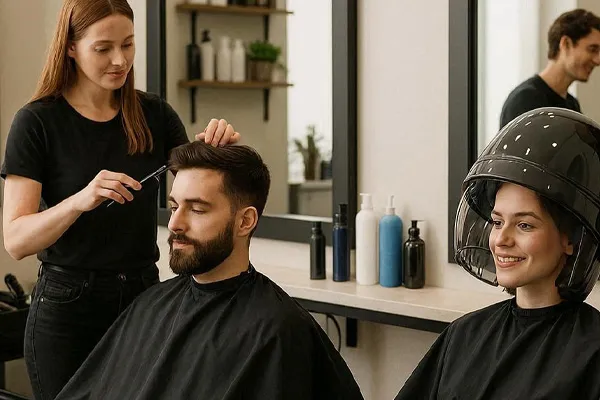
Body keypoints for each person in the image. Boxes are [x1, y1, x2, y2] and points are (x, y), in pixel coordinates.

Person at [1, 1, 240, 399]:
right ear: (71, 47)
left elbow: (197, 192)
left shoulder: (155, 115)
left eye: (128, 44)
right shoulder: (37, 122)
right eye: (103, 48)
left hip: (144, 299)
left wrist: (219, 153)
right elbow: (16, 240)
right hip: (67, 310)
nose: (120, 60)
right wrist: (80, 200)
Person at [53, 141, 364, 400]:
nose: (175, 224)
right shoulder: (151, 304)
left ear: (245, 221)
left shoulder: (277, 329)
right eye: (174, 207)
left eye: (197, 209)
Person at [395, 107, 600, 400]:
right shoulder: (463, 335)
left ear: (571, 239)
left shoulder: (592, 353)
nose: (501, 239)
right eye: (497, 222)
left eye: (524, 225)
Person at [499, 9, 600, 129]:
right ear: (566, 44)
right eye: (592, 49)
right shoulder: (526, 100)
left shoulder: (572, 104)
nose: (597, 60)